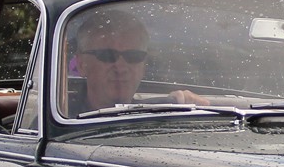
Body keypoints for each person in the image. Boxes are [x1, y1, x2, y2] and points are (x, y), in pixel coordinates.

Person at [69, 8, 207, 114]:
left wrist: (183, 103)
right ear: (82, 64)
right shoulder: (54, 119)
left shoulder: (163, 117)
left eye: (133, 56)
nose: (121, 67)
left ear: (143, 66)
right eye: (107, 55)